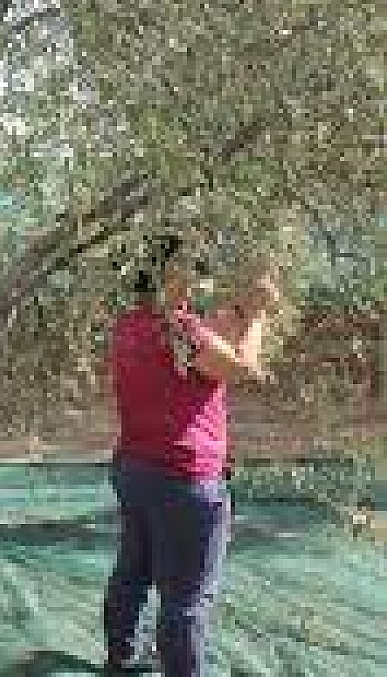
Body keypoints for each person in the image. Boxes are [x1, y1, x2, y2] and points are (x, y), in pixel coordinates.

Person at [104, 234, 279, 676]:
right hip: (185, 479)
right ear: (166, 274)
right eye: (189, 267)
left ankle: (121, 659)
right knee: (186, 599)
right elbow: (243, 370)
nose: (198, 276)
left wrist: (233, 314)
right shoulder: (179, 329)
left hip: (134, 468)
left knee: (133, 572)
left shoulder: (129, 324)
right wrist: (257, 317)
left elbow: (197, 353)